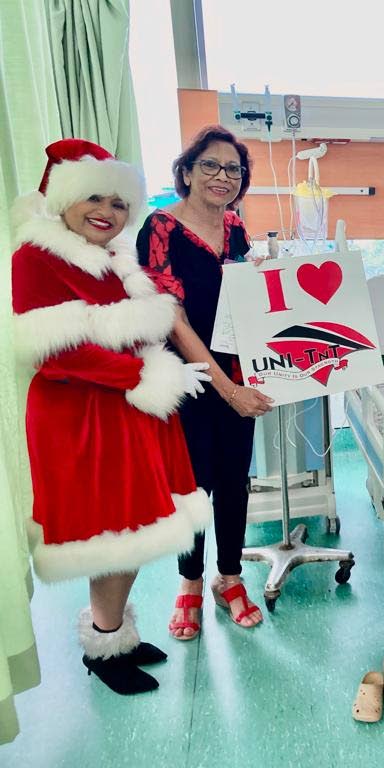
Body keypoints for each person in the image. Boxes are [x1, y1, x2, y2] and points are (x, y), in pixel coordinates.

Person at [10, 139, 213, 695]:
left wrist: (147, 373)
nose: (107, 211)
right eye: (93, 197)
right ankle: (103, 647)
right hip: (83, 420)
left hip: (126, 412)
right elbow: (56, 353)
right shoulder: (35, 256)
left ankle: (115, 632)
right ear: (62, 199)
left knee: (135, 531)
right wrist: (145, 377)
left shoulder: (115, 259)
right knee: (112, 532)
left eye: (119, 202)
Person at [136, 125, 274, 639]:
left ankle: (230, 578)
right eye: (211, 166)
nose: (223, 176)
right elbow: (174, 318)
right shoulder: (160, 228)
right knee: (192, 487)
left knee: (235, 479)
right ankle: (190, 583)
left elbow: (243, 297)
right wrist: (226, 388)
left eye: (234, 169)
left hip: (240, 370)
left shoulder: (235, 226)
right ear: (187, 172)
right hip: (190, 377)